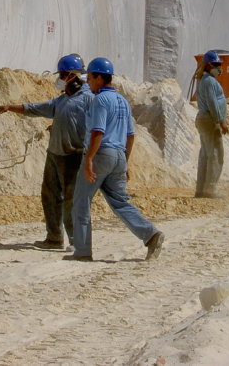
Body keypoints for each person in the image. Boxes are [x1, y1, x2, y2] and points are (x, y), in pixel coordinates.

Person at [65, 57, 165, 262]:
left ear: (100, 78)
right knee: (120, 202)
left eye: (90, 78)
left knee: (81, 202)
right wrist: (125, 162)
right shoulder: (122, 101)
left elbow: (97, 132)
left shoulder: (100, 100)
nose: (88, 83)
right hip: (119, 156)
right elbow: (130, 135)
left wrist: (90, 159)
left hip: (101, 154)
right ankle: (151, 235)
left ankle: (82, 252)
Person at [0, 54, 92, 249]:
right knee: (50, 196)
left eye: (63, 75)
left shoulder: (88, 99)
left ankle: (77, 241)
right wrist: (10, 107)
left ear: (73, 76)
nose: (60, 79)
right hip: (55, 155)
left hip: (74, 156)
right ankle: (54, 238)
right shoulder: (63, 100)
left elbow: (95, 127)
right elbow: (37, 108)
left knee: (71, 201)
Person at [194, 50, 229, 198]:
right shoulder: (209, 81)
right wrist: (221, 121)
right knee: (215, 154)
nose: (219, 67)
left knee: (206, 155)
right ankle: (210, 189)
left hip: (204, 119)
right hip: (209, 120)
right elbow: (213, 103)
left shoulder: (204, 80)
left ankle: (201, 189)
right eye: (216, 64)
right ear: (208, 65)